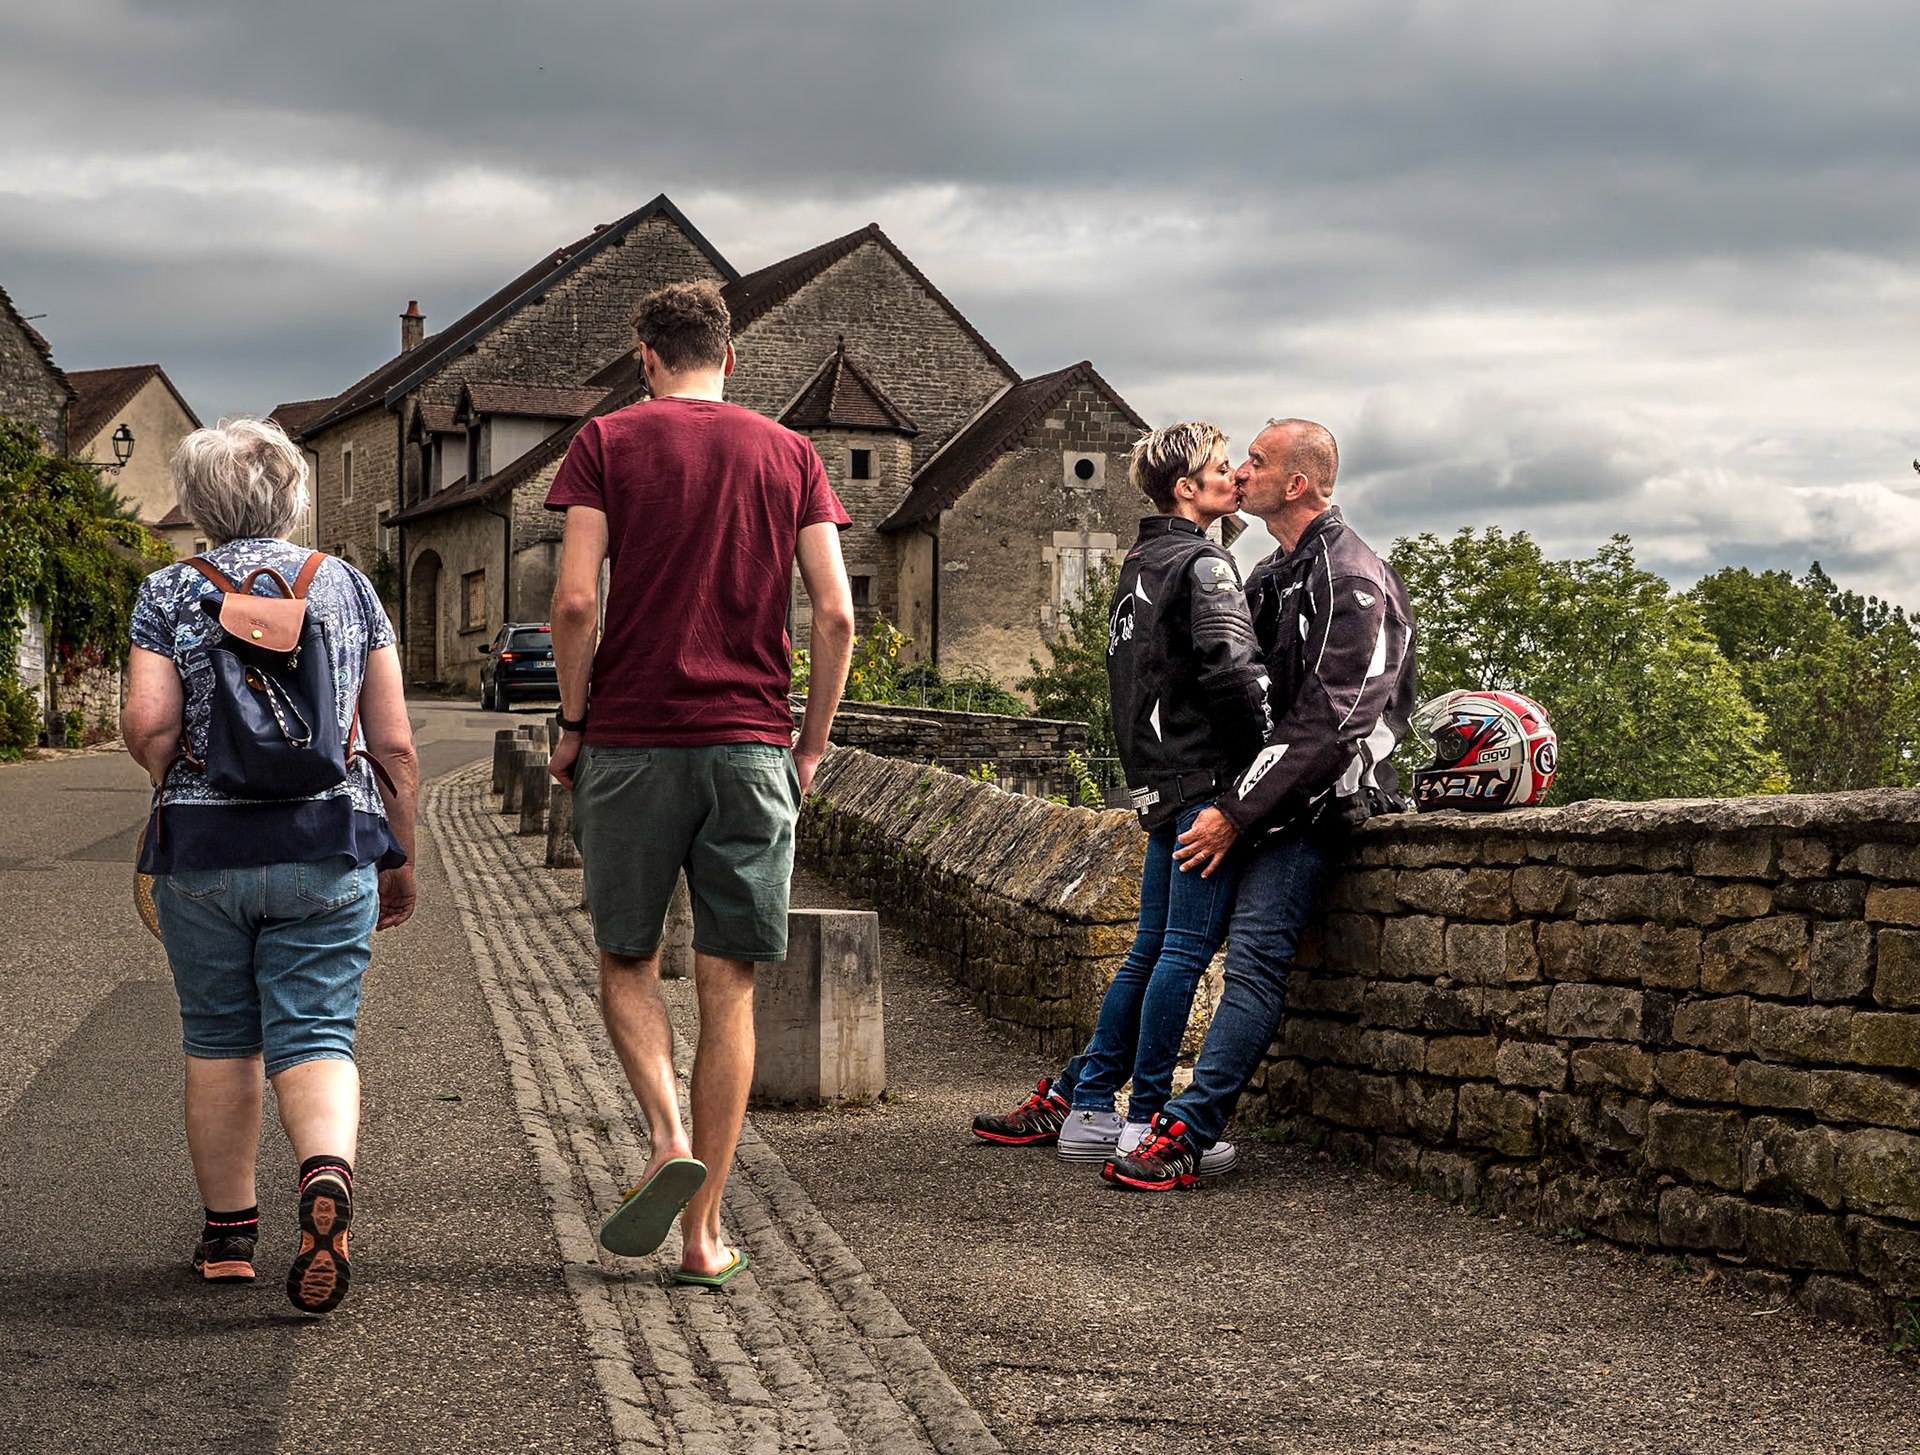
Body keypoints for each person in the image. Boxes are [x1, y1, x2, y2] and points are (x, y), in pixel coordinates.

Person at [545, 280, 854, 1285]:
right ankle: (704, 1235)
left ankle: (666, 1136)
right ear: (732, 358)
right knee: (730, 987)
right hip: (752, 748)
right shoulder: (791, 454)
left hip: (631, 742)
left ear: (645, 354)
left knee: (628, 959)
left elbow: (577, 599)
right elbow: (836, 617)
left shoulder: (607, 443)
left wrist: (574, 721)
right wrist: (806, 746)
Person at [120, 417, 419, 1311]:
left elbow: (149, 725)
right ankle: (324, 1175)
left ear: (202, 504)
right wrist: (398, 855)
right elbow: (395, 744)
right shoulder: (349, 588)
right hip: (328, 844)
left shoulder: (168, 592)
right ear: (294, 497)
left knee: (219, 1037)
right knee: (317, 1034)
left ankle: (227, 1237)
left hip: (205, 853)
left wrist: (170, 772)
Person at [1105, 418, 1417, 1191]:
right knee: (1172, 946)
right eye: (1237, 460)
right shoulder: (1273, 572)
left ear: (1298, 483)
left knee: (1248, 963)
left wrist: (1236, 811)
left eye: (1257, 460)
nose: (1241, 473)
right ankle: (1096, 1094)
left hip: (1310, 807)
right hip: (1252, 802)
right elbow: (1243, 697)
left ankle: (1184, 1130)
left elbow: (1334, 719)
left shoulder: (1352, 575)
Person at [971, 422, 1269, 1169]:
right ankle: (1144, 1120)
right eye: (1220, 467)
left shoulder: (1139, 562)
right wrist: (1268, 757)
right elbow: (1233, 673)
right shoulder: (1206, 566)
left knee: (1146, 951)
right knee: (1182, 953)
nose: (1233, 476)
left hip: (1156, 785)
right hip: (1203, 783)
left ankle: (1093, 1105)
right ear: (1186, 488)